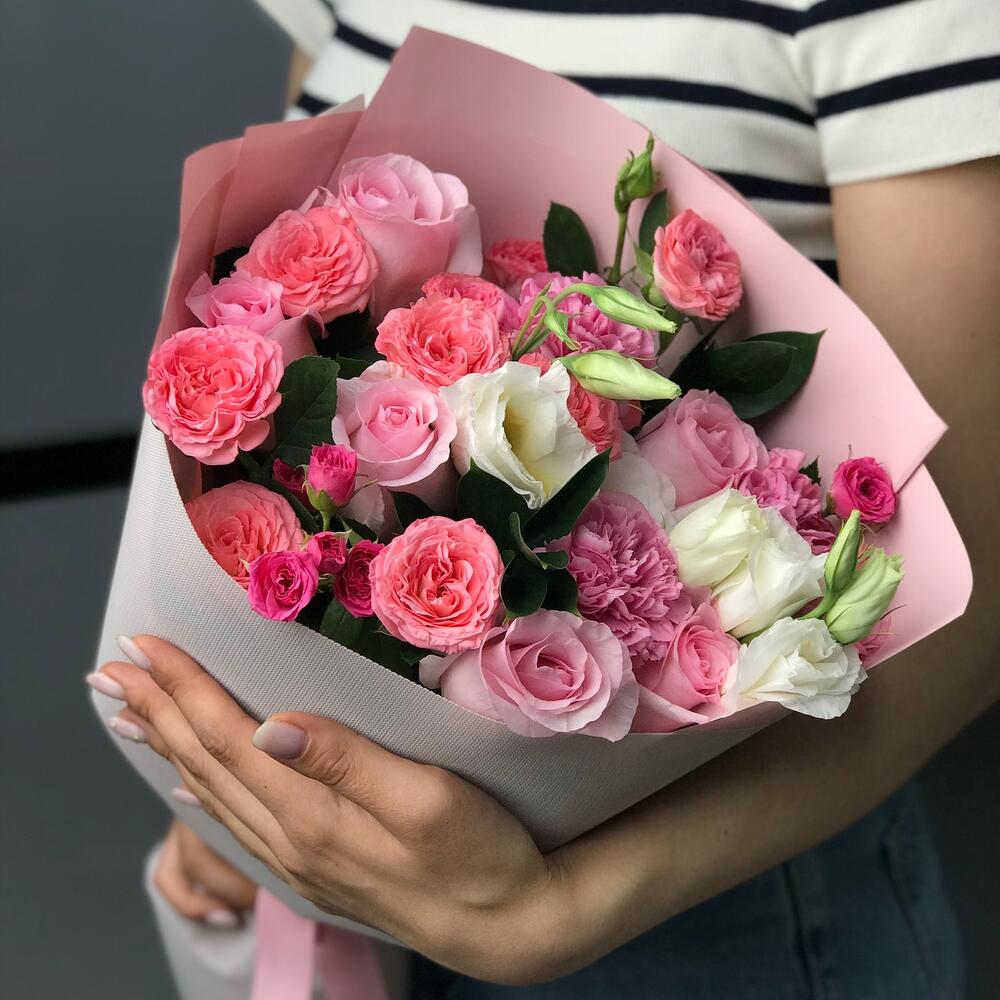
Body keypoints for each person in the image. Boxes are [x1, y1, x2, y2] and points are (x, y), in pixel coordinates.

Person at [97, 1, 1000, 996]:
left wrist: (558, 909)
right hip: (353, 871)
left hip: (708, 900)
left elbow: (974, 598)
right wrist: (250, 791)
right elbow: (280, 259)